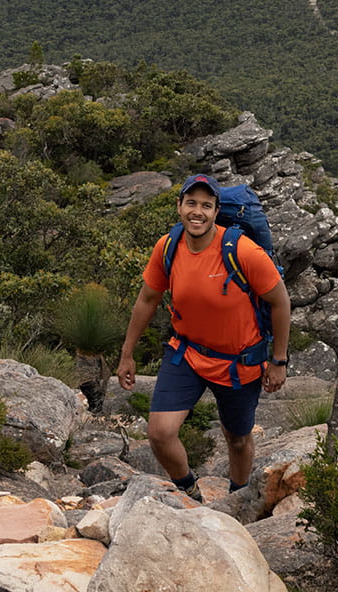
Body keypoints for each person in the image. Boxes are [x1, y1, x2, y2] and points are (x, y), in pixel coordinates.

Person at [116, 174, 290, 501]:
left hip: (239, 362)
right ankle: (190, 492)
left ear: (216, 211)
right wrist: (127, 353)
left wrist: (278, 360)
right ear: (179, 206)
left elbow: (280, 301)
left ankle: (237, 500)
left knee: (237, 439)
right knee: (160, 433)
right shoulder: (168, 247)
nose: (198, 211)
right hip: (187, 354)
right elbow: (147, 299)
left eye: (206, 206)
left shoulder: (243, 251)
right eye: (191, 203)